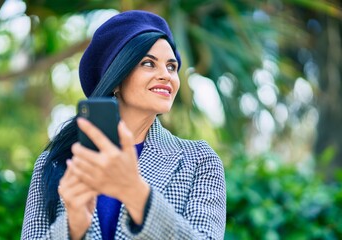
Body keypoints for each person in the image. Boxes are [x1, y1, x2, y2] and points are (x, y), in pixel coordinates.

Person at [22, 10, 226, 240]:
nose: (166, 75)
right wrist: (73, 228)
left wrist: (136, 193)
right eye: (149, 63)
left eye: (171, 66)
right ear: (116, 79)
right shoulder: (56, 161)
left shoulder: (199, 160)